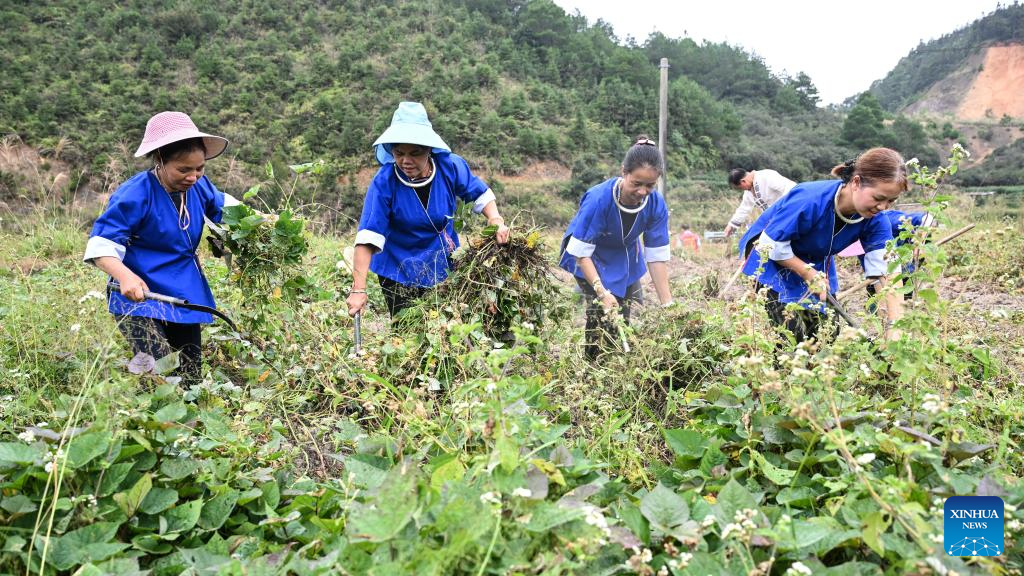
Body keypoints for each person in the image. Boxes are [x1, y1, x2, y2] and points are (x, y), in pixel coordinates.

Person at [83, 111, 238, 385]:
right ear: (160, 160)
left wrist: (266, 224)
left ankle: (190, 424)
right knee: (158, 374)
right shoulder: (135, 194)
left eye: (199, 168)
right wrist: (125, 276)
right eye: (183, 169)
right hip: (139, 295)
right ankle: (154, 422)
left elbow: (233, 212)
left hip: (184, 290)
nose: (193, 176)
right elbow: (102, 245)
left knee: (190, 374)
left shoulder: (200, 187)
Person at [346, 102, 510, 319]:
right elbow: (368, 235)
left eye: (415, 153)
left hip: (443, 260)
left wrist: (495, 219)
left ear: (429, 150)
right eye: (399, 153)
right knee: (406, 326)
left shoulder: (449, 166)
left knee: (444, 324)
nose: (406, 161)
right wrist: (358, 289)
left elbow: (480, 194)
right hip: (398, 265)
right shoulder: (384, 182)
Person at [738, 148, 909, 343]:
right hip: (770, 255)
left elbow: (887, 270)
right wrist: (807, 273)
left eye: (891, 201)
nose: (883, 207)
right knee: (792, 334)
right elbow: (771, 244)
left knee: (827, 333)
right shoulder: (809, 199)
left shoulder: (877, 220)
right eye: (878, 198)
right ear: (856, 182)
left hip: (814, 257)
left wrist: (894, 328)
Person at [559, 136, 674, 359]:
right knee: (601, 313)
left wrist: (668, 306)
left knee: (623, 310)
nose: (642, 191)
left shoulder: (656, 204)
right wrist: (601, 292)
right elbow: (582, 254)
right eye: (636, 184)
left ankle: (619, 361)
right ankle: (594, 366)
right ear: (624, 172)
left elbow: (657, 257)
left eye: (650, 185)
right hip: (591, 256)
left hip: (626, 254)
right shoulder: (599, 199)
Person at [725, 168, 796, 237]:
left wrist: (783, 209)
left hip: (791, 209)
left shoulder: (766, 175)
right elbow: (744, 208)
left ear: (743, 181)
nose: (742, 189)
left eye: (740, 187)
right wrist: (731, 225)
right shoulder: (748, 192)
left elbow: (789, 188)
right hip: (777, 218)